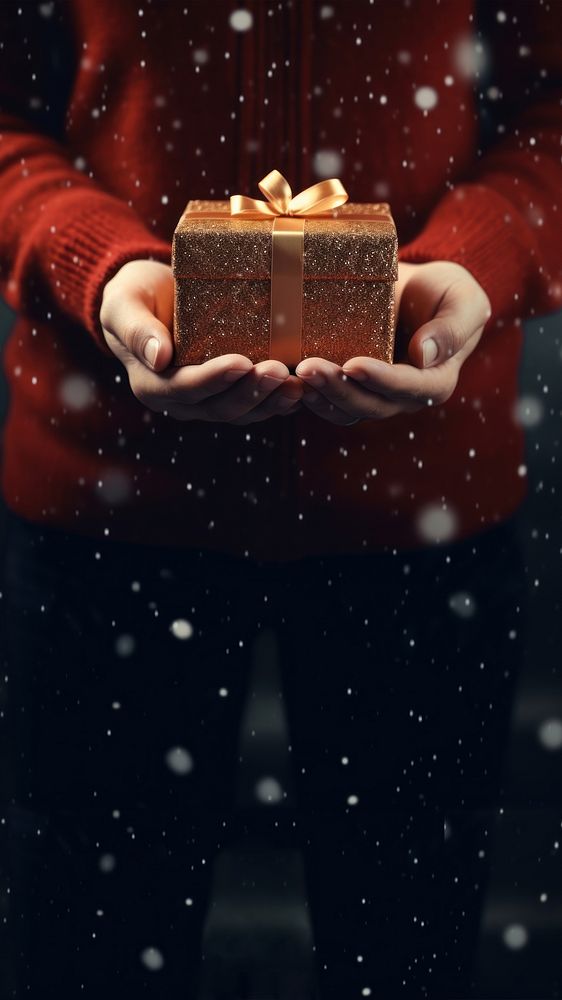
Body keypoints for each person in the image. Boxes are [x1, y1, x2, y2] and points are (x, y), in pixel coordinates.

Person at [0, 1, 560, 997]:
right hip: (108, 508)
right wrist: (102, 266)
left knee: (409, 957)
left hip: (420, 511)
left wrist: (471, 263)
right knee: (90, 955)